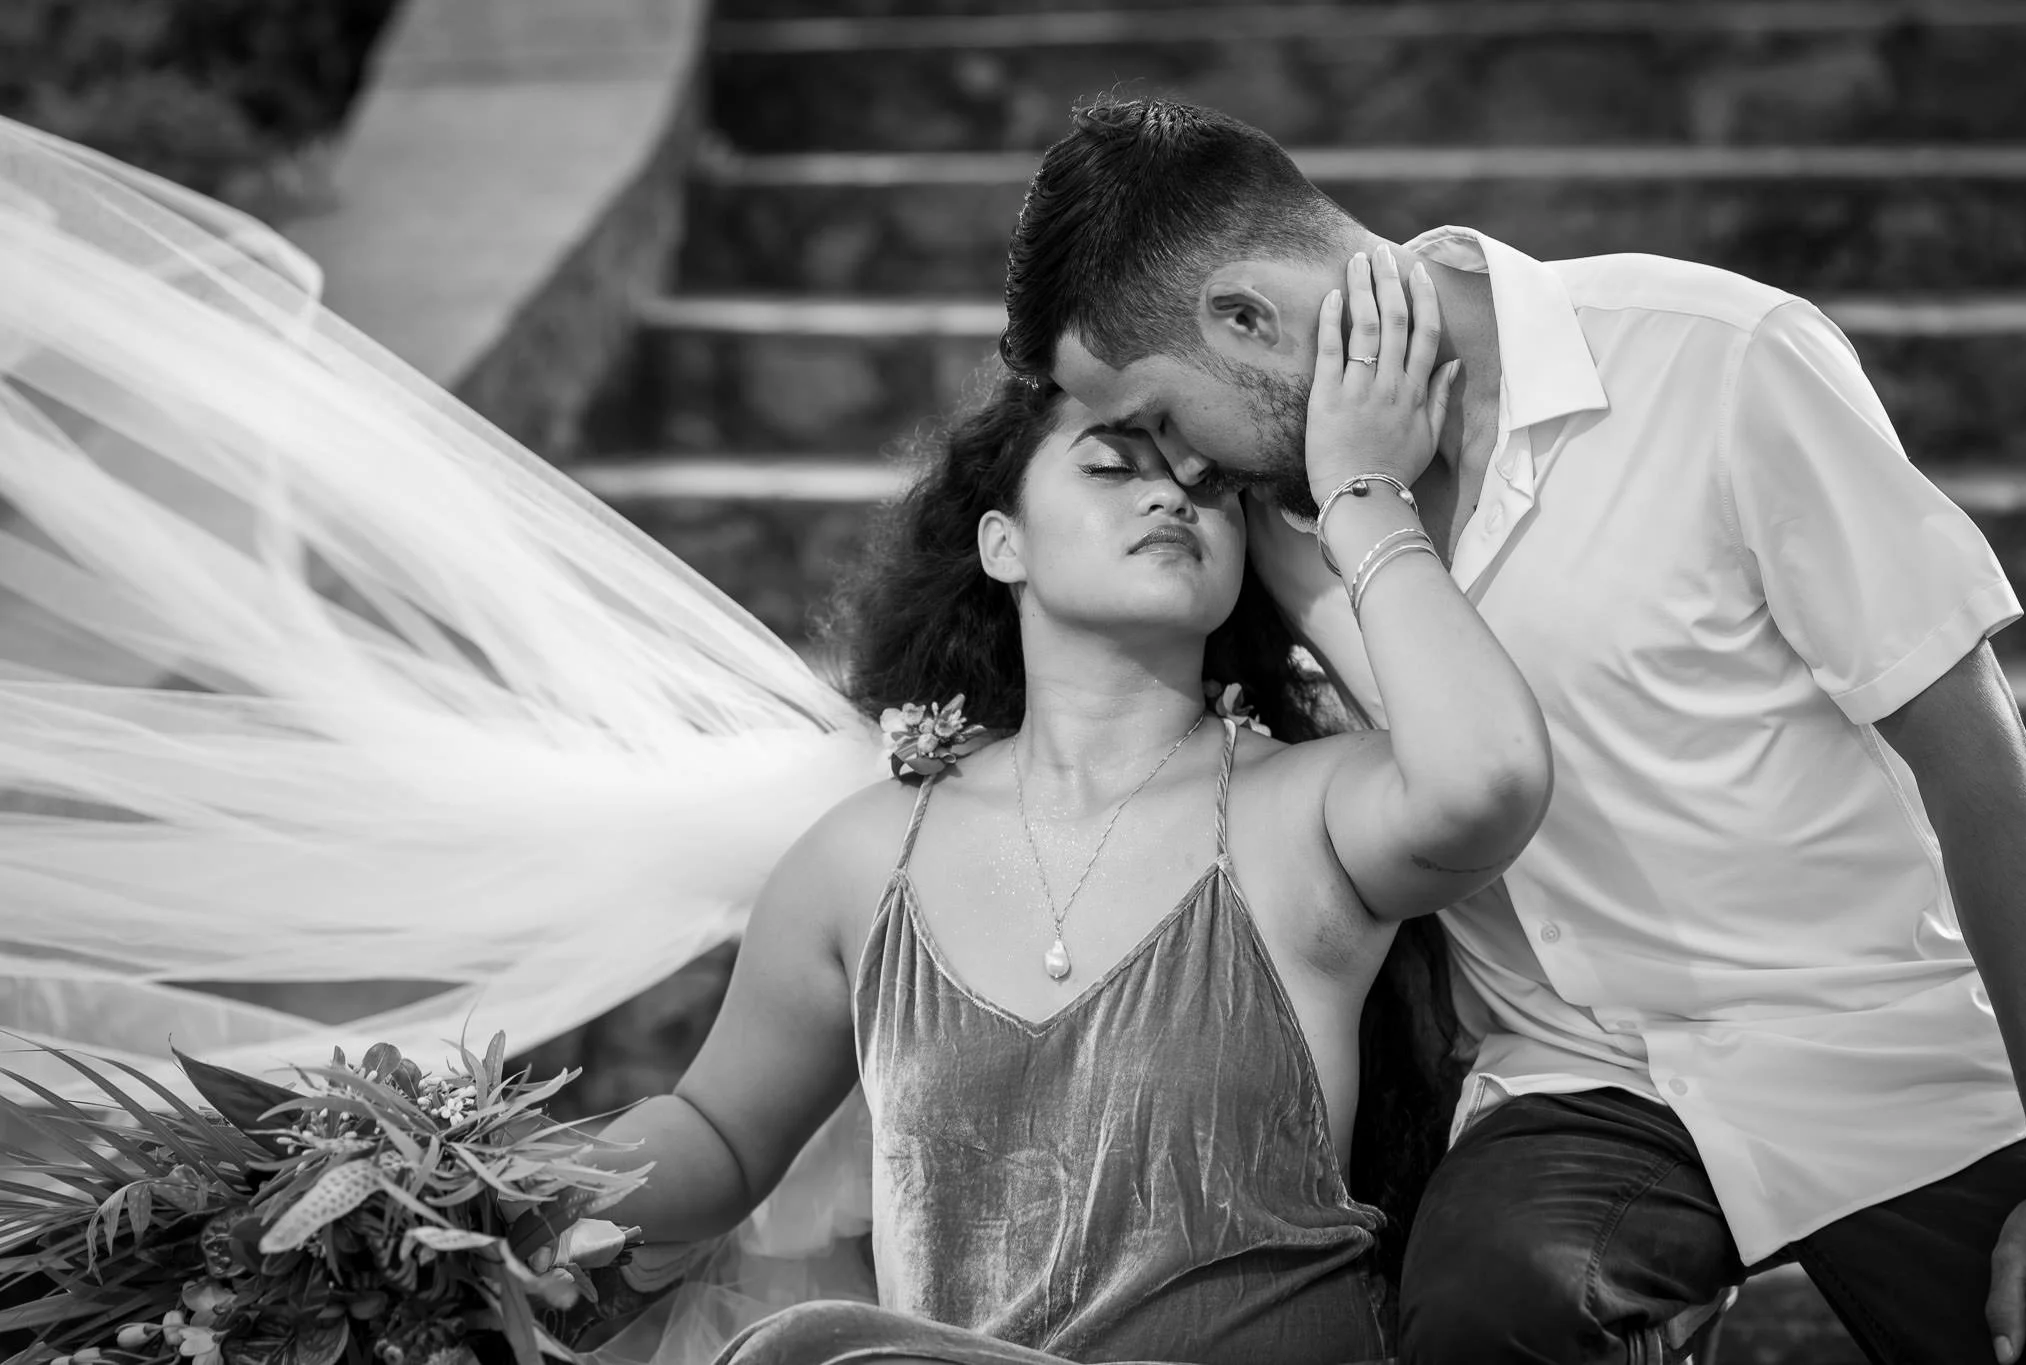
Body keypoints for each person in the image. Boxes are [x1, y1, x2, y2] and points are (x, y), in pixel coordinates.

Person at [999, 95, 2026, 1365]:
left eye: (1163, 420)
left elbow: (1985, 772)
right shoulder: (1271, 525)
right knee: (1482, 1314)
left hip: (1884, 1045)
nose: (1180, 472)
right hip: (1581, 1082)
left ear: (1242, 320)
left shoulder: (1714, 358)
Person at [593, 250, 1551, 1362]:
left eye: (1210, 492)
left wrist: (1355, 497)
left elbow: (1485, 779)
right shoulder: (862, 857)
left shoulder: (1307, 811)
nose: (1166, 495)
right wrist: (492, 1195)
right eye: (1111, 469)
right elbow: (718, 1134)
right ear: (1003, 543)